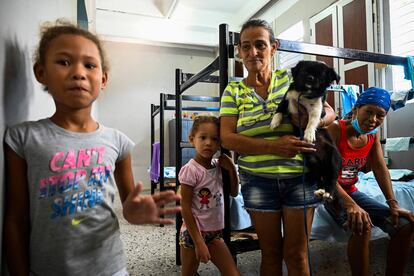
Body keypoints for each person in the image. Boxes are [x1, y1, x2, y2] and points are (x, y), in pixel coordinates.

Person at [3, 20, 181, 276]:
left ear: (103, 78)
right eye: (64, 62)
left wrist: (135, 211)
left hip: (110, 267)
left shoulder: (118, 141)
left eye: (89, 65)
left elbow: (129, 206)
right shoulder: (23, 138)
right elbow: (15, 220)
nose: (78, 72)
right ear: (40, 72)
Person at [220, 19, 336, 276]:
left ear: (274, 48)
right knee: (270, 255)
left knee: (297, 255)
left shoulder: (292, 78)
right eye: (246, 47)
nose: (253, 53)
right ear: (239, 51)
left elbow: (329, 112)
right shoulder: (234, 90)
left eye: (260, 45)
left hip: (300, 177)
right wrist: (274, 147)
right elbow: (227, 138)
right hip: (258, 180)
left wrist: (312, 123)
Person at [325, 87, 414, 276]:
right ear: (357, 108)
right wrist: (351, 205)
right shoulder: (335, 130)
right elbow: (325, 176)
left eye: (380, 115)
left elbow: (380, 169)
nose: (373, 119)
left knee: (404, 225)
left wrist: (393, 204)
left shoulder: (372, 136)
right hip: (329, 192)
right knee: (362, 225)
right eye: (369, 112)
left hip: (350, 190)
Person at [179, 116, 240, 276]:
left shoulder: (219, 166)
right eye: (203, 138)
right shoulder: (190, 170)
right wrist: (199, 242)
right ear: (192, 139)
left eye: (214, 139)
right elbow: (184, 207)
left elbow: (234, 192)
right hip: (194, 235)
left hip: (214, 234)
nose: (208, 143)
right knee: (188, 273)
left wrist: (232, 169)